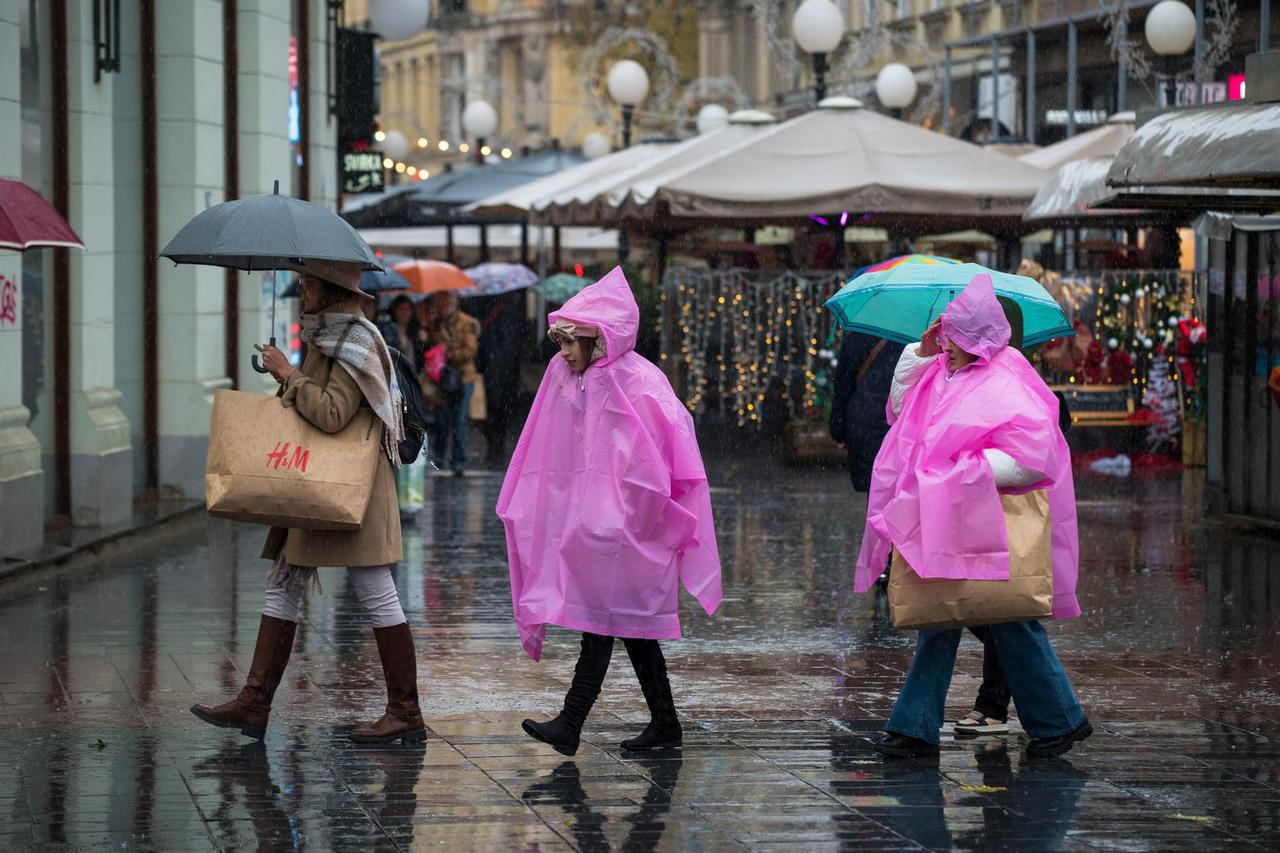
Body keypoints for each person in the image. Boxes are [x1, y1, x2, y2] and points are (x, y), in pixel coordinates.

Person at [191, 259, 427, 745]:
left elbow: (333, 413)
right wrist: (292, 376)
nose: (302, 291)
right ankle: (255, 702)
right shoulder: (327, 335)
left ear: (332, 288)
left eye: (309, 283)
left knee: (376, 591)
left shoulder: (353, 341)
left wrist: (288, 374)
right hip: (318, 480)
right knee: (283, 585)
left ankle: (405, 710)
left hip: (349, 488)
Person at [857, 273, 1091, 759]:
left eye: (954, 335)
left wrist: (967, 471)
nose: (946, 343)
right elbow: (901, 411)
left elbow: (1033, 456)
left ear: (976, 336)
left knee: (1008, 622)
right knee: (944, 617)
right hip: (949, 518)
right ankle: (922, 725)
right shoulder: (943, 370)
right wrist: (919, 355)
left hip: (990, 522)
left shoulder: (1006, 376)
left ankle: (1056, 719)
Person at [496, 267, 722, 756]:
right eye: (560, 341)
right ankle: (660, 723)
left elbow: (664, 451)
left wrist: (634, 509)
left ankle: (573, 723)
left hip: (630, 526)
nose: (563, 352)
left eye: (571, 341)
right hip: (595, 526)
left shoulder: (637, 380)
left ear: (597, 337)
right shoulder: (572, 377)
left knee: (605, 623)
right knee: (624, 625)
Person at [424, 291, 479, 476]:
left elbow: (470, 349)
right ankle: (440, 457)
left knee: (459, 419)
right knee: (442, 418)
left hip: (462, 377)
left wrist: (449, 354)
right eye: (441, 306)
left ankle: (458, 460)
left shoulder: (466, 323)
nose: (444, 310)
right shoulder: (437, 324)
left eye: (446, 306)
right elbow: (430, 346)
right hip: (443, 378)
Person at [476, 291, 528, 463]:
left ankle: (495, 447)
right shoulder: (509, 311)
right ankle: (496, 447)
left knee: (496, 411)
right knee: (499, 411)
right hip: (501, 370)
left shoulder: (491, 309)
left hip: (497, 370)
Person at [378, 294, 425, 371]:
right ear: (394, 310)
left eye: (408, 309)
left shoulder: (415, 331)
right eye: (401, 309)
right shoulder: (387, 331)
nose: (405, 313)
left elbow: (420, 356)